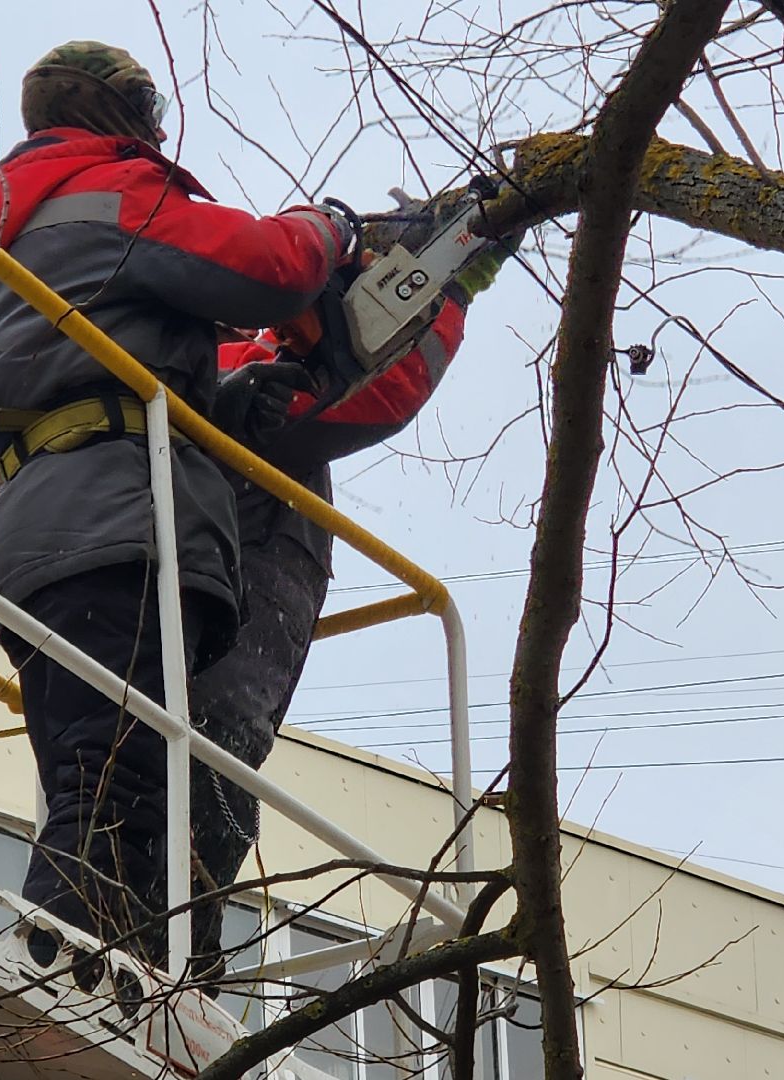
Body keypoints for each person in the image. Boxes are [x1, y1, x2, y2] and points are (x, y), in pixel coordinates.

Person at [0, 39, 355, 965]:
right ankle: (61, 986)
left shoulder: (8, 251)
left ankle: (112, 975)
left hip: (40, 535)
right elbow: (272, 266)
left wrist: (213, 403)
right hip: (120, 526)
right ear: (124, 115)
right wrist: (330, 228)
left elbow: (86, 376)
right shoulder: (114, 196)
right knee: (113, 791)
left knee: (93, 781)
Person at [186, 233, 510, 974]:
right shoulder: (218, 373)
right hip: (236, 615)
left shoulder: (214, 365)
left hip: (242, 608)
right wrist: (447, 296)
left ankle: (180, 955)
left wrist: (419, 275)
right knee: (203, 783)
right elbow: (374, 396)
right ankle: (172, 959)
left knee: (204, 786)